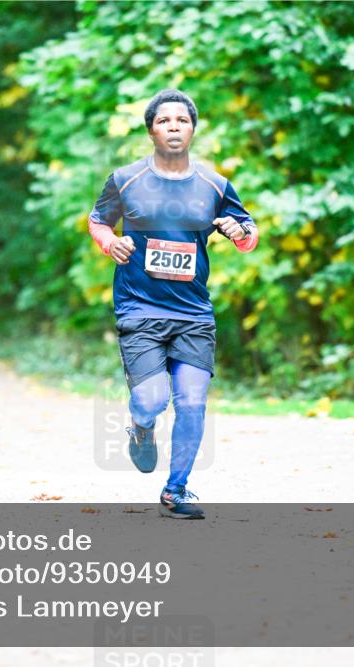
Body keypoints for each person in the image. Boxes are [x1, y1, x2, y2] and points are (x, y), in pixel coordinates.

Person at [87, 89, 259, 520]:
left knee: (193, 401)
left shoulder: (214, 185)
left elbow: (248, 234)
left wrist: (238, 233)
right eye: (165, 121)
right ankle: (141, 429)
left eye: (182, 121)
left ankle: (176, 489)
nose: (174, 127)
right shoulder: (125, 179)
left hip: (193, 313)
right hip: (139, 307)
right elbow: (97, 221)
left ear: (193, 129)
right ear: (151, 130)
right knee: (150, 400)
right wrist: (111, 243)